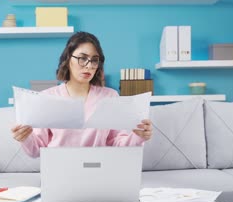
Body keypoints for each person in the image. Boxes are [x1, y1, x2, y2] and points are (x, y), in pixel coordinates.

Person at [11, 31, 152, 158]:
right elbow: (36, 150)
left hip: (99, 170)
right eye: (82, 58)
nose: (89, 66)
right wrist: (25, 137)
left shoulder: (110, 96)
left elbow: (118, 144)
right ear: (68, 59)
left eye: (94, 60)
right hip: (59, 171)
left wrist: (137, 136)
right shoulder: (47, 98)